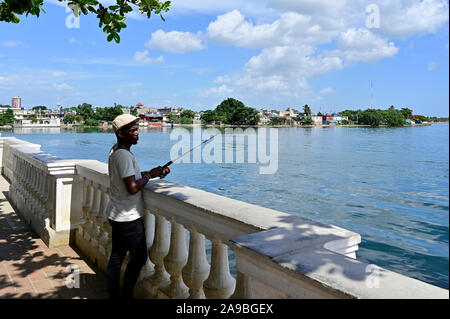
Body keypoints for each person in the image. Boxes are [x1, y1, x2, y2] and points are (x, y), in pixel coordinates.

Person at [106, 114, 169, 299]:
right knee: (139, 257)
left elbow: (128, 176)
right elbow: (132, 187)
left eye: (137, 130)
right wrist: (149, 177)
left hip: (116, 213)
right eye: (133, 131)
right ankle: (125, 296)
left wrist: (151, 173)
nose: (137, 134)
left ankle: (114, 294)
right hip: (128, 217)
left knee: (117, 256)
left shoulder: (116, 150)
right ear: (120, 133)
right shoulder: (124, 155)